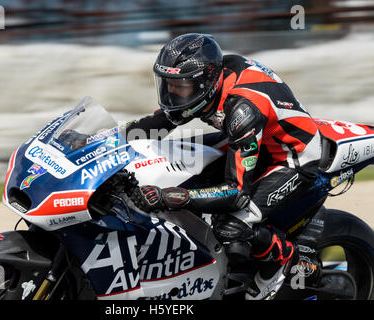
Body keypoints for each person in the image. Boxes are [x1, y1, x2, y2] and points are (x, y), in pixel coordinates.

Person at [127, 33, 322, 300]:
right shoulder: (206, 83)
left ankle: (286, 259)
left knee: (230, 226)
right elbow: (159, 123)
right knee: (185, 166)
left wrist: (171, 196)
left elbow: (235, 193)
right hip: (251, 140)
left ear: (207, 82)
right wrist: (99, 142)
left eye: (179, 86)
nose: (172, 93)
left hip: (292, 159)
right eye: (168, 84)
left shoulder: (241, 109)